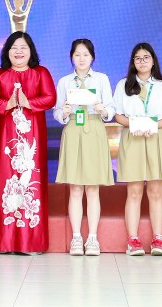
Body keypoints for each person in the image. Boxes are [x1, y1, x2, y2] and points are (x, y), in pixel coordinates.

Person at [0, 31, 57, 254]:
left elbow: (51, 98)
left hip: (33, 136)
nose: (18, 51)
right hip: (6, 139)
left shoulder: (41, 73)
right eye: (14, 48)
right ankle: (3, 243)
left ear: (31, 51)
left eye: (23, 47)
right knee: (5, 182)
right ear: (7, 52)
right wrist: (7, 104)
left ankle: (31, 243)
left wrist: (29, 102)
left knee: (31, 181)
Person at [113, 43, 162, 256]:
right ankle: (132, 240)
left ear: (153, 61)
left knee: (155, 191)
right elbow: (117, 115)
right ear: (133, 62)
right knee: (134, 191)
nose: (142, 61)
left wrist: (152, 125)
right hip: (132, 138)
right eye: (138, 58)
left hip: (156, 138)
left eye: (146, 57)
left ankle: (158, 239)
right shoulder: (123, 84)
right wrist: (135, 124)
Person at [53, 38, 115, 256]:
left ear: (92, 57)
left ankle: (93, 238)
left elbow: (111, 109)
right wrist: (64, 113)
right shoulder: (64, 82)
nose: (81, 59)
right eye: (77, 55)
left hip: (95, 128)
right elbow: (56, 111)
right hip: (73, 130)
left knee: (93, 188)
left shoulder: (101, 79)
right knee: (76, 188)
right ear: (72, 57)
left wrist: (102, 110)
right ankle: (77, 238)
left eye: (85, 55)